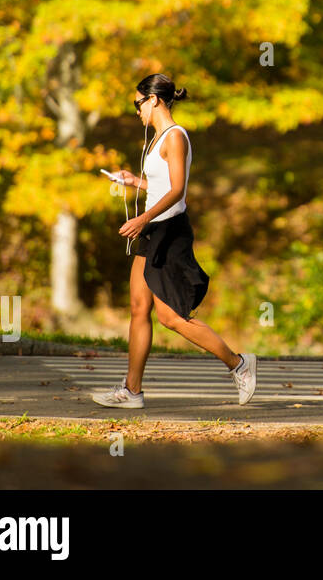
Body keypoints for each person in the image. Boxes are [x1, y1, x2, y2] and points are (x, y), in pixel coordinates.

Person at [92, 73, 257, 408]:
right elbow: (159, 185)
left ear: (154, 100)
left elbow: (178, 190)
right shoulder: (156, 140)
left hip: (169, 231)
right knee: (139, 308)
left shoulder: (175, 137)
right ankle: (132, 391)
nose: (136, 111)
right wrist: (133, 181)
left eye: (138, 103)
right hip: (153, 230)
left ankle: (239, 364)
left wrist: (142, 218)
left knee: (171, 318)